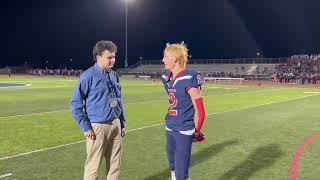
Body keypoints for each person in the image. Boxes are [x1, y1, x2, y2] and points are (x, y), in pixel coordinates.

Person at [70, 40, 126, 180]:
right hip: (97, 126)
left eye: (114, 57)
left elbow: (118, 100)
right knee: (93, 165)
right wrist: (85, 127)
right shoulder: (88, 76)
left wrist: (122, 122)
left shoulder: (113, 75)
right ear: (98, 57)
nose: (113, 60)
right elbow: (75, 103)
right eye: (109, 57)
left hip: (115, 124)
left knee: (114, 165)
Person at [160, 42, 206, 180]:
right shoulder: (166, 78)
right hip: (170, 126)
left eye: (165, 56)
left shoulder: (189, 78)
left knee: (181, 175)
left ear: (174, 59)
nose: (163, 60)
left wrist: (196, 131)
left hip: (183, 129)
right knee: (173, 167)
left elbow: (201, 112)